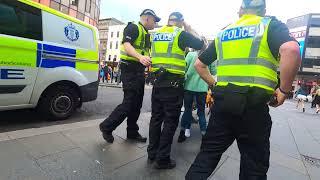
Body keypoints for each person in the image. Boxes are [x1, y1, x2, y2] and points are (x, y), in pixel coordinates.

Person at [185, 0, 301, 179]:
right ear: (263, 10)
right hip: (253, 106)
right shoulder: (269, 25)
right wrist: (284, 91)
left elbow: (199, 65)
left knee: (206, 156)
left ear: (240, 10)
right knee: (253, 165)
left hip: (222, 104)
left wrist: (214, 85)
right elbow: (291, 49)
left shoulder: (224, 33)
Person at [147, 12, 205, 169]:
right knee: (170, 121)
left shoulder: (157, 34)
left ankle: (152, 153)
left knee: (156, 118)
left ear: (168, 21)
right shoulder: (180, 33)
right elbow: (201, 44)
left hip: (157, 82)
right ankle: (162, 158)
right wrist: (189, 28)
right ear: (180, 22)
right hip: (173, 85)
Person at [99, 9, 161, 143]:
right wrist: (140, 58)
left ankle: (132, 132)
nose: (155, 24)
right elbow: (126, 45)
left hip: (138, 71)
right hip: (130, 69)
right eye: (155, 21)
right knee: (129, 103)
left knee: (137, 104)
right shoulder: (133, 27)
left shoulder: (146, 34)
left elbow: (144, 52)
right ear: (147, 18)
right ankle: (106, 126)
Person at [178, 50, 214, 143]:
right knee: (201, 112)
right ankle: (203, 135)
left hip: (189, 87)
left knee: (187, 109)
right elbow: (213, 71)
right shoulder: (208, 55)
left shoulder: (190, 54)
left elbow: (184, 68)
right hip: (202, 89)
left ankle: (184, 131)